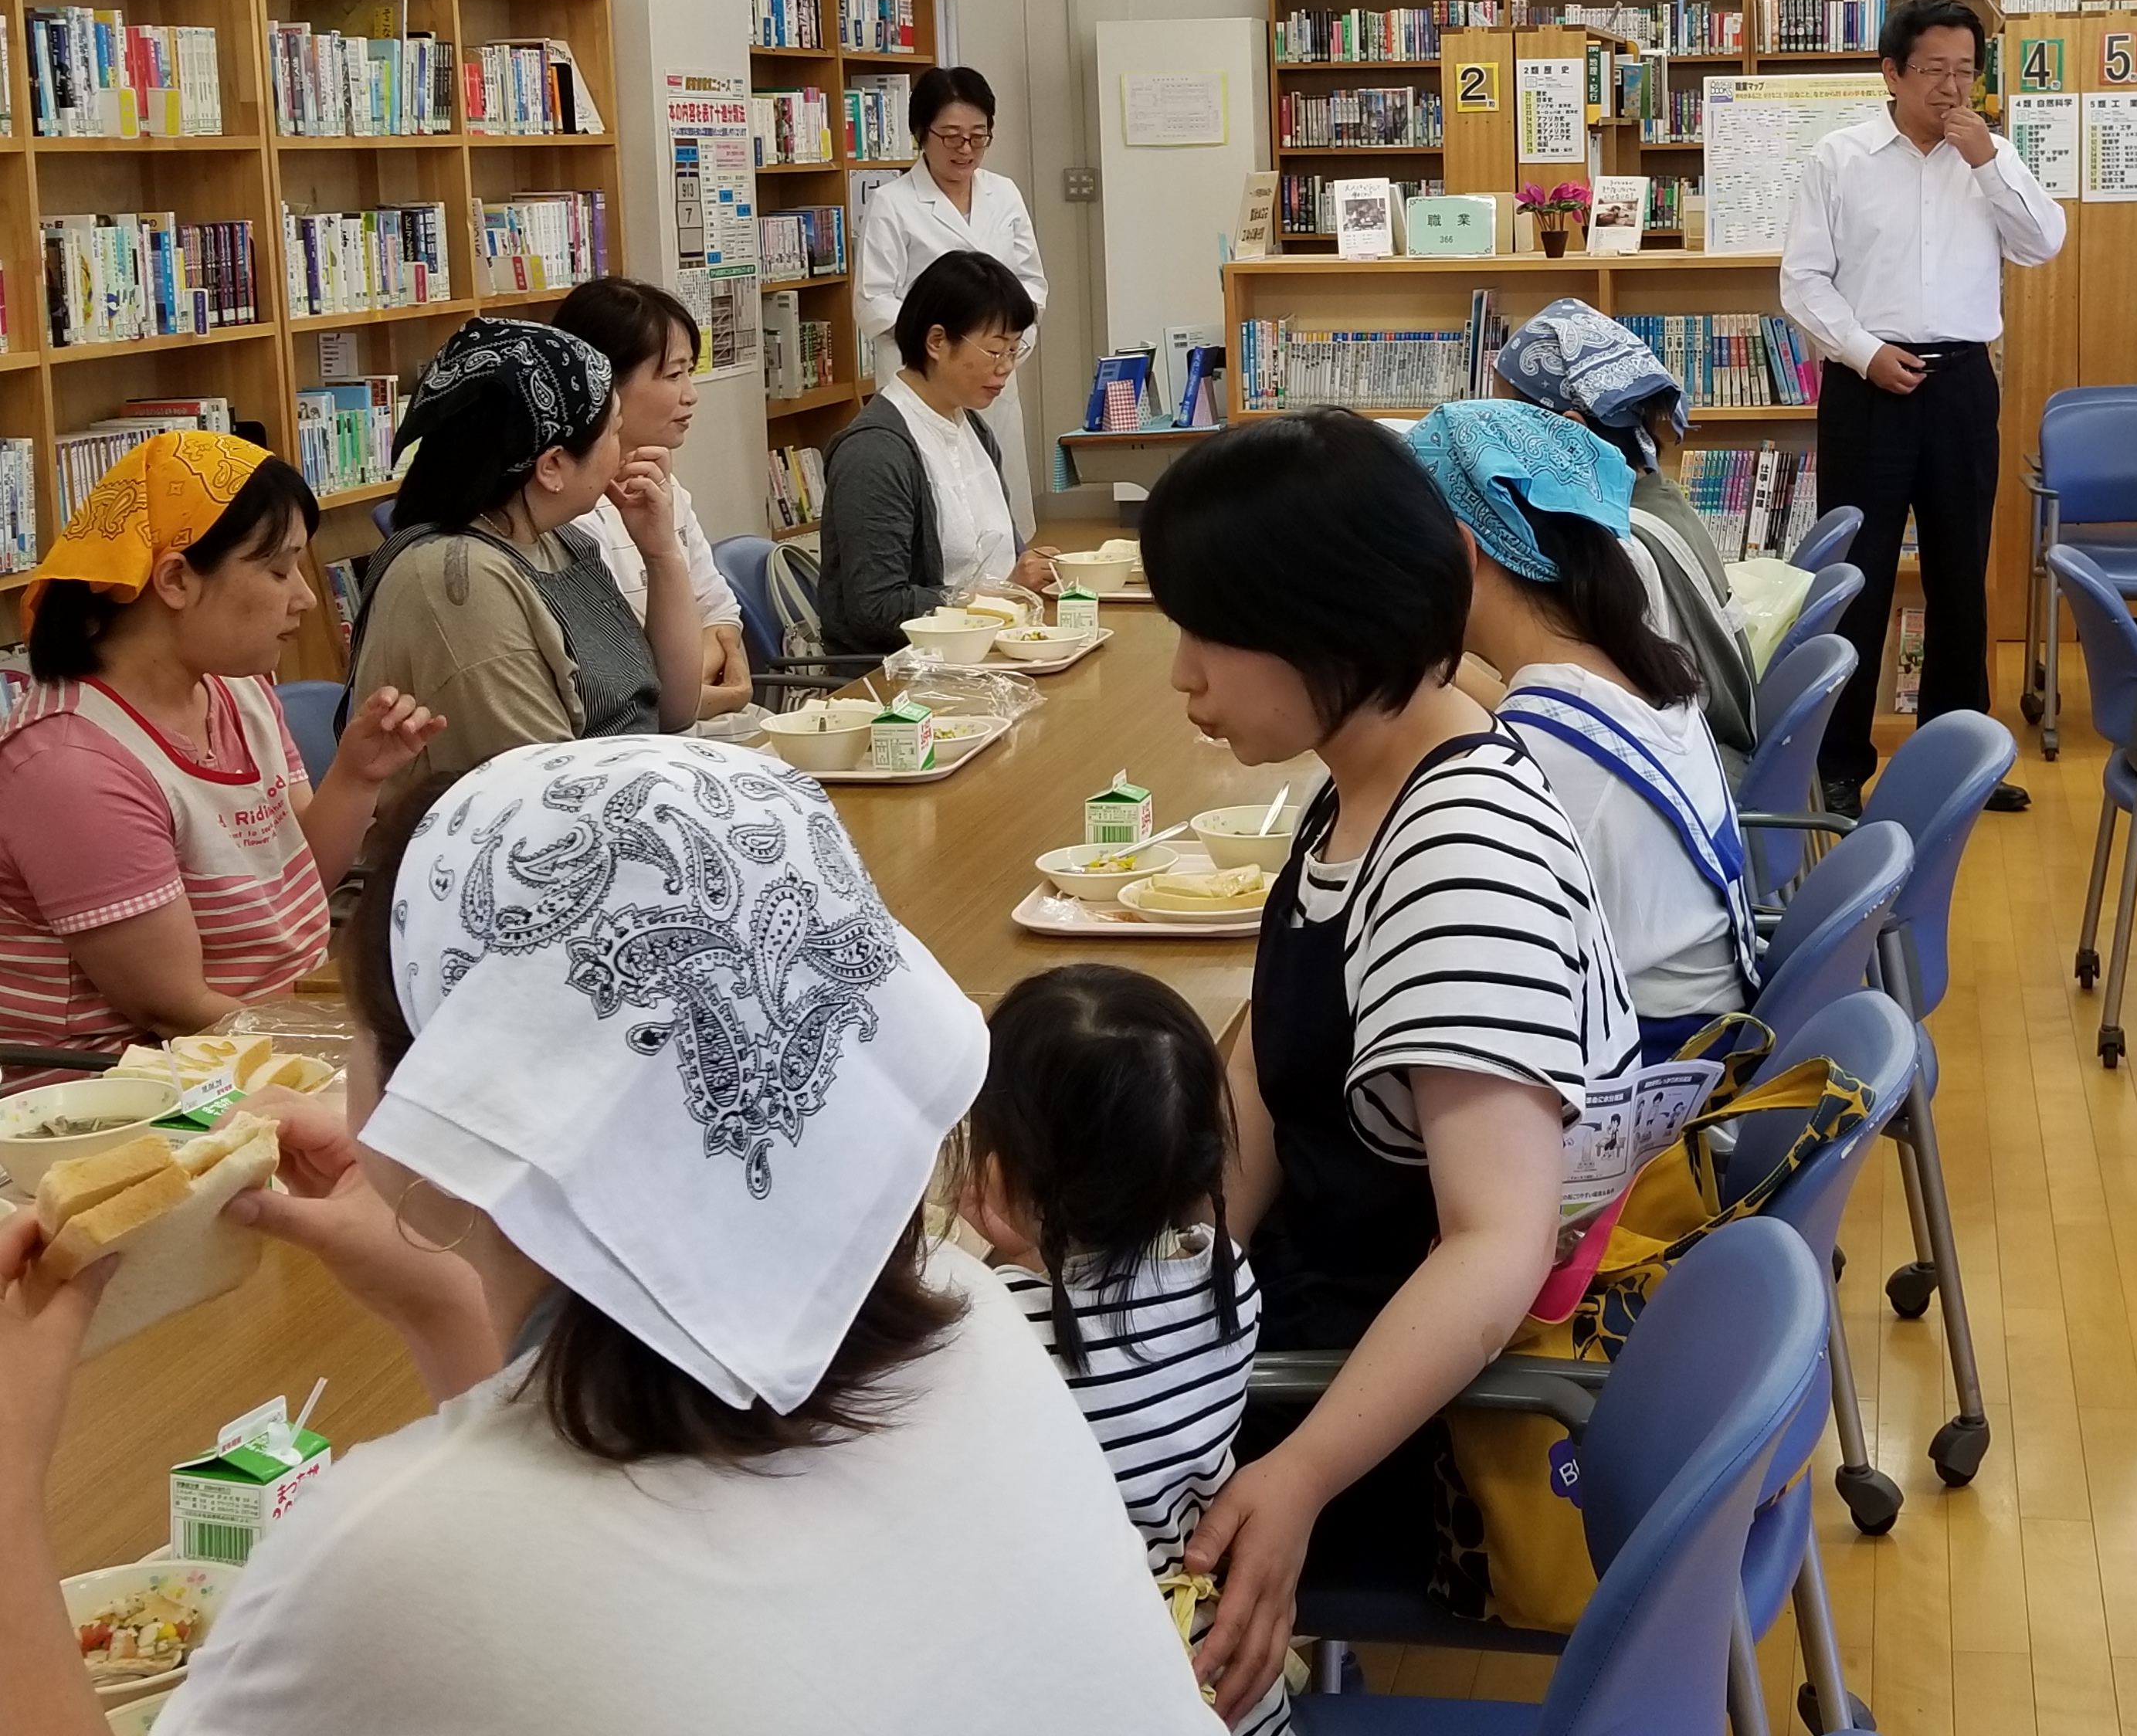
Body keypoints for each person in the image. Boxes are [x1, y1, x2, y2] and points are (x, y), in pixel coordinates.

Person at [0, 739, 1221, 1736]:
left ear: (457, 1088)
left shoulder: (389, 1566)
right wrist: (443, 1302)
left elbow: (521, 1564)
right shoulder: (965, 1318)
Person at [1139, 410, 1637, 1726]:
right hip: (1335, 1332)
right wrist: (1167, 1264)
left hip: (1421, 1425)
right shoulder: (1374, 770)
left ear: (1330, 628)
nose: (1182, 675)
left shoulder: (1455, 851)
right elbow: (1272, 1067)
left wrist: (1297, 1475)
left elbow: (1494, 1243)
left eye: (1210, 633)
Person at [0, 435, 438, 1080]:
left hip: (258, 1036)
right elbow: (175, 1009)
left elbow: (296, 885)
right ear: (176, 579)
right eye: (279, 570)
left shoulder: (235, 689)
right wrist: (350, 1061)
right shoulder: (71, 764)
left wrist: (355, 776)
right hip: (135, 1090)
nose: (304, 598)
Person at [965, 965, 1290, 1736]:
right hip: (1230, 1684)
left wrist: (1006, 1251)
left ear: (1001, 1177)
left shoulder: (998, 1330)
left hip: (1098, 1692)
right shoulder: (1225, 1276)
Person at [1779, 0, 2064, 815]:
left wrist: (1989, 163)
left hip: (1963, 385)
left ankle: (1959, 760)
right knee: (1857, 578)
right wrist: (1863, 351)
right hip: (1867, 385)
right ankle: (1839, 764)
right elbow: (1802, 279)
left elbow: (2043, 242)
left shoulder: (1992, 156)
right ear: (1892, 73)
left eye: (1965, 71)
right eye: (1934, 70)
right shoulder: (1840, 158)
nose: (1951, 87)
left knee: (1960, 575)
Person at [1411, 402, 1752, 1061]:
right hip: (1707, 1027)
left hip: (1643, 1081)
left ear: (1460, 550)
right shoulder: (1638, 667)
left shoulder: (1538, 761)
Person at [347, 318, 699, 793]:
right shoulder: (460, 582)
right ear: (552, 466)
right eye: (614, 432)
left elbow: (673, 711)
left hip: (626, 795)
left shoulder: (558, 541)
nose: (624, 452)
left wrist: (661, 554)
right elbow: (549, 791)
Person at [1494, 297, 1757, 765]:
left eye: (1504, 420)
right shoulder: (1659, 496)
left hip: (1690, 767)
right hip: (1705, 749)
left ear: (1568, 431)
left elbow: (1589, 719)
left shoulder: (1616, 548)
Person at [819, 250, 1060, 656]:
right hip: (906, 671)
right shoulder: (874, 453)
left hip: (984, 648)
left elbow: (1003, 555)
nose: (1005, 367)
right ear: (936, 341)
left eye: (1013, 351)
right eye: (994, 351)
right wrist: (993, 597)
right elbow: (876, 610)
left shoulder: (972, 427)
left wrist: (1030, 571)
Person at [856, 66, 1050, 524]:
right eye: (951, 136)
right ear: (921, 133)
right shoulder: (893, 203)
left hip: (994, 371)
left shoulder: (1004, 193)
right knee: (941, 511)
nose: (966, 149)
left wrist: (1003, 349)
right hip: (927, 377)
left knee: (1000, 505)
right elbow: (873, 301)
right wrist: (947, 345)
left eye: (978, 137)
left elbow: (1031, 284)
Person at [551, 277, 750, 717]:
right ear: (604, 384)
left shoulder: (661, 486)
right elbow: (625, 683)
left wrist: (683, 685)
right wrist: (700, 692)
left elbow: (722, 616)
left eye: (689, 372)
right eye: (674, 375)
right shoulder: (569, 516)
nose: (691, 395)